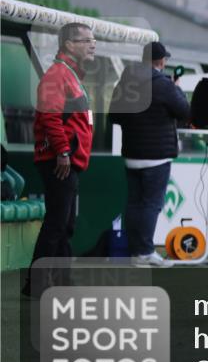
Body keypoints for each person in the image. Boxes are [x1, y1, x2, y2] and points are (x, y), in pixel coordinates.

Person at [24, 23, 96, 294]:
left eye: (93, 40)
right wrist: (63, 152)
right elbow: (50, 117)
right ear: (69, 45)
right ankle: (37, 283)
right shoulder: (57, 75)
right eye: (86, 40)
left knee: (65, 225)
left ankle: (61, 280)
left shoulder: (69, 75)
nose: (93, 44)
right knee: (57, 224)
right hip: (59, 161)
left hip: (67, 161)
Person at [109, 41, 190, 266]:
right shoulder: (164, 85)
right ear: (161, 62)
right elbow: (185, 111)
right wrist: (177, 88)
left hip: (132, 153)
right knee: (151, 204)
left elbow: (114, 116)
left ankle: (136, 251)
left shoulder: (126, 81)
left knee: (135, 203)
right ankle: (144, 251)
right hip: (156, 156)